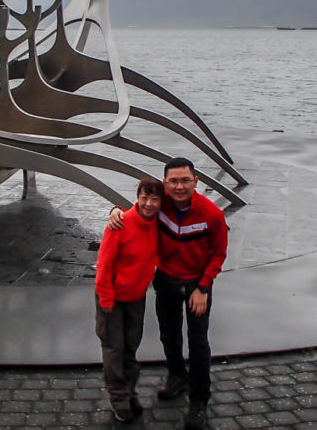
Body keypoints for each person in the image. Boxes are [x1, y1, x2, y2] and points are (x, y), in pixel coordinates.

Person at [107, 157, 228, 430]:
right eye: (173, 181)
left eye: (185, 180)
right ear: (165, 183)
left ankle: (198, 400)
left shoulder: (212, 214)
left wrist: (204, 287)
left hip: (197, 285)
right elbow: (135, 212)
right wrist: (115, 210)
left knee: (198, 342)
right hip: (167, 281)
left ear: (196, 181)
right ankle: (177, 376)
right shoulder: (160, 207)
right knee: (168, 334)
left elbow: (218, 253)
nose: (179, 186)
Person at [95, 177, 164, 423]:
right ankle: (119, 399)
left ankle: (130, 391)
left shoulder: (158, 224)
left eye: (155, 199)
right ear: (137, 197)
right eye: (144, 197)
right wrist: (105, 299)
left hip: (136, 297)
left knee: (131, 348)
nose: (148, 204)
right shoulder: (120, 223)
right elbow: (104, 264)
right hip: (112, 297)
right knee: (114, 349)